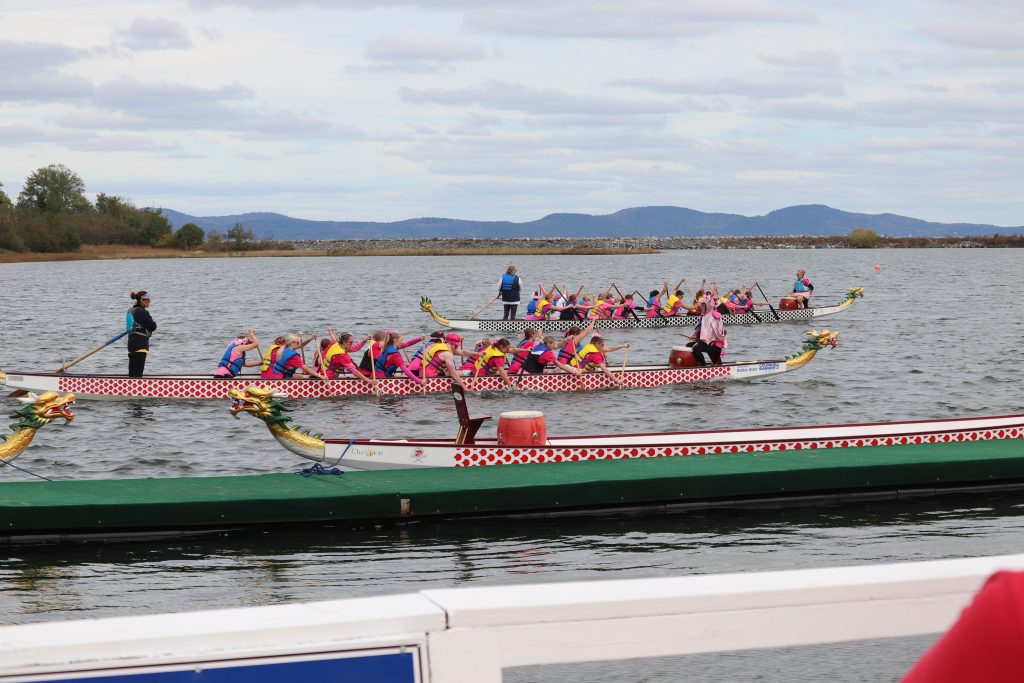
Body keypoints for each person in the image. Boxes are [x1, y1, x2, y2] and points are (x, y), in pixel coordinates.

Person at [260, 333, 325, 379]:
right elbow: (306, 368)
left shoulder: (281, 349)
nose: (299, 344)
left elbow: (300, 345)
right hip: (276, 378)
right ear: (292, 343)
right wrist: (320, 376)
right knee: (301, 377)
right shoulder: (293, 356)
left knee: (299, 376)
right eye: (298, 343)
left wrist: (310, 339)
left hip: (267, 375)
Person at [691, 297, 729, 366]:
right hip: (706, 342)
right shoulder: (704, 316)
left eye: (703, 306)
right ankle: (696, 364)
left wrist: (701, 340)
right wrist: (694, 336)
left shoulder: (713, 317)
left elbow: (716, 333)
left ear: (708, 306)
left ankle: (702, 367)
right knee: (689, 345)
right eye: (701, 305)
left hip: (714, 344)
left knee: (696, 348)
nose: (701, 307)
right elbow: (700, 329)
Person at [127, 290, 157, 377]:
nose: (149, 301)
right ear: (141, 300)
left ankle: (131, 386)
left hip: (132, 345)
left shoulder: (131, 310)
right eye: (147, 299)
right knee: (137, 374)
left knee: (133, 373)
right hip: (140, 346)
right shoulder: (141, 312)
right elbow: (153, 326)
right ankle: (135, 387)